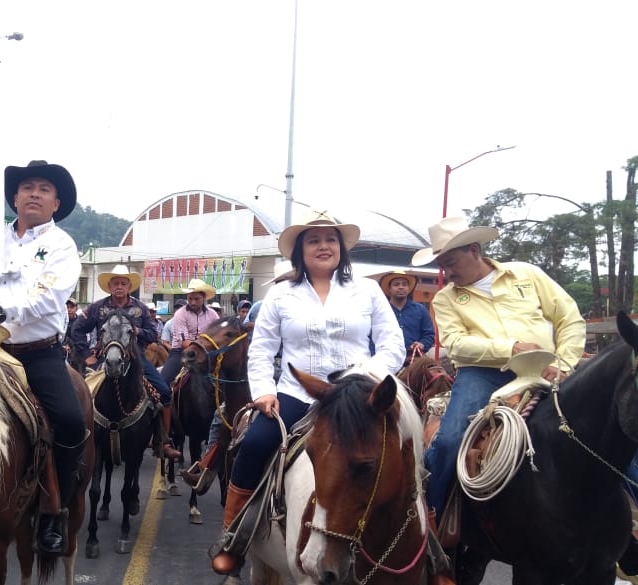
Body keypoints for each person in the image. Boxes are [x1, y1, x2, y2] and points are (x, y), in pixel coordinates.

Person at [211, 209, 405, 574]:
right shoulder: (281, 294)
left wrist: (369, 378)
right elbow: (263, 348)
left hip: (358, 397)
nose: (323, 246)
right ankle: (233, 538)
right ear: (300, 251)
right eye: (313, 240)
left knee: (410, 447)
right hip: (298, 394)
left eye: (330, 239)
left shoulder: (368, 290)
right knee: (252, 446)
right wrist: (265, 391)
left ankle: (431, 550)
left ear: (341, 249)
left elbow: (392, 342)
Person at [409, 216, 585, 527]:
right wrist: (511, 348)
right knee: (450, 439)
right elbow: (457, 345)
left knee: (605, 419)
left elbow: (568, 318)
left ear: (475, 250)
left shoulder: (527, 274)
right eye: (442, 266)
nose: (447, 272)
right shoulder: (446, 298)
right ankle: (431, 522)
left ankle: (630, 520)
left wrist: (565, 364)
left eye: (451, 262)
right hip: (483, 374)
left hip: (548, 368)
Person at [0, 160, 86, 555]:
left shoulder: (61, 245)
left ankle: (55, 511)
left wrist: (2, 311)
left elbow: (49, 296)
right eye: (26, 187)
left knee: (70, 424)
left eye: (43, 188)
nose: (34, 193)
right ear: (15, 198)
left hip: (39, 355)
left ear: (56, 203)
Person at [72, 265, 181, 459]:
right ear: (110, 286)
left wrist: (137, 332)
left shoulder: (140, 309)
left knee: (163, 392)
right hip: (105, 358)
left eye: (123, 283)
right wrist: (86, 354)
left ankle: (162, 441)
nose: (119, 286)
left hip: (136, 359)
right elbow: (78, 330)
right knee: (80, 393)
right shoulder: (98, 308)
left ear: (129, 286)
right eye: (116, 283)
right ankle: (80, 437)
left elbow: (152, 334)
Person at [161, 279, 220, 385]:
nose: (193, 302)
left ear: (204, 298)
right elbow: (184, 343)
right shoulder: (180, 314)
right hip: (180, 352)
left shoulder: (213, 315)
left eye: (197, 299)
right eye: (190, 298)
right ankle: (163, 401)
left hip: (207, 353)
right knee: (164, 381)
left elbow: (218, 337)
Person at [378, 270, 435, 364]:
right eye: (396, 284)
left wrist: (422, 344)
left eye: (404, 284)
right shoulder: (380, 310)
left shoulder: (420, 310)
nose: (401, 287)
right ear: (389, 289)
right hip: (385, 359)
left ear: (408, 288)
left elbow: (429, 334)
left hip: (413, 359)